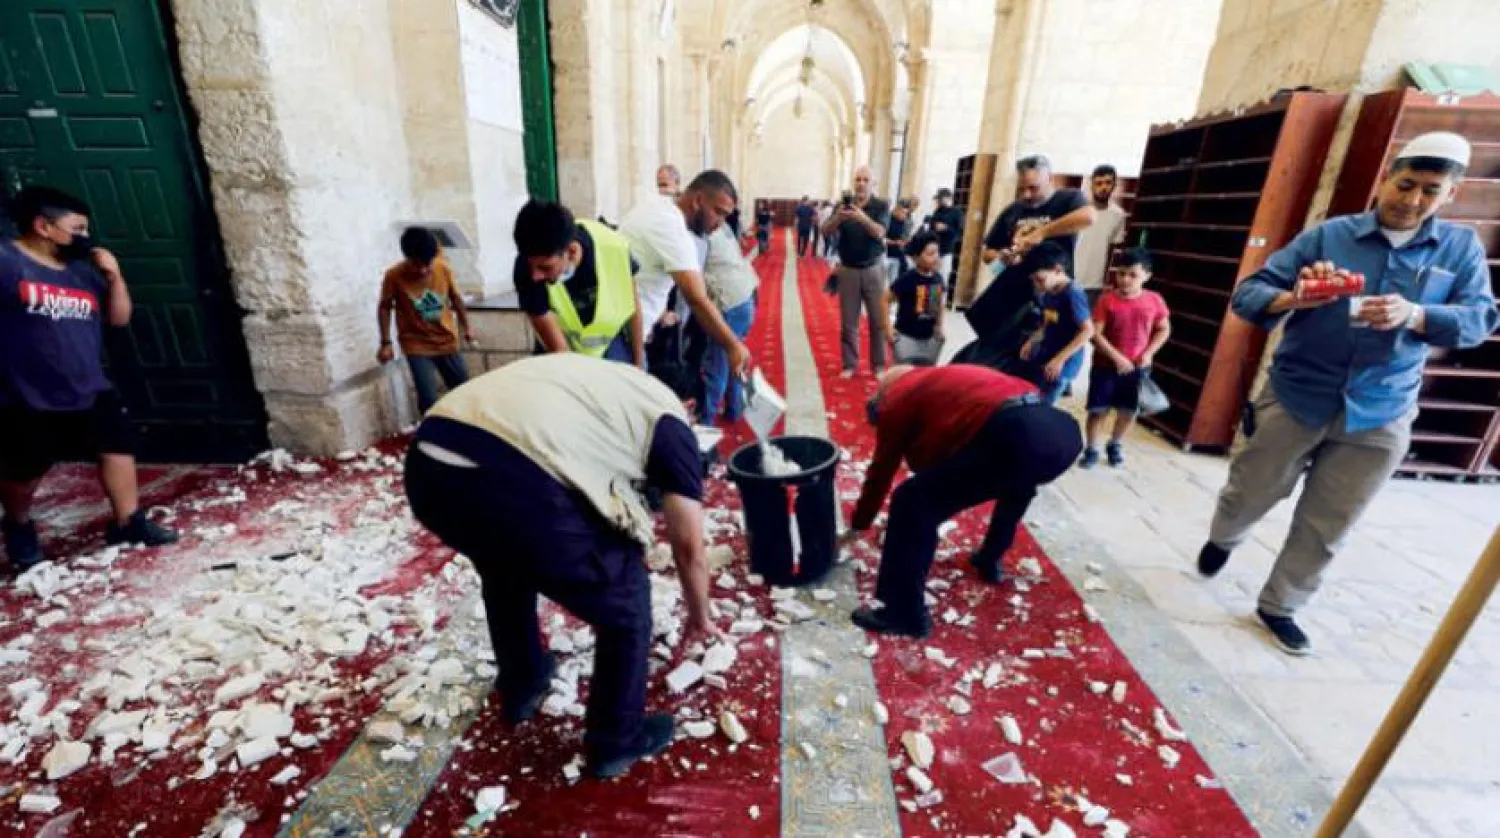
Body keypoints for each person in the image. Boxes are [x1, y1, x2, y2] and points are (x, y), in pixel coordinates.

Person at [1197, 131, 1498, 656]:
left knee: (1330, 519)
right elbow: (1248, 295)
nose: (1413, 200)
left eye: (1430, 191)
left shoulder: (1460, 248)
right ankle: (1225, 537)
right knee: (1252, 489)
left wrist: (1418, 315)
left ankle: (1281, 605)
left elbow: (1479, 320)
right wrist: (1295, 297)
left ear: (1450, 195)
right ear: (1386, 179)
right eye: (1406, 184)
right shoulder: (1330, 236)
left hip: (1382, 408)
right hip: (1298, 394)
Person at [404, 354, 720, 778]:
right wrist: (700, 615)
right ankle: (616, 740)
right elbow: (689, 547)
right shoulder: (672, 424)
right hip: (505, 474)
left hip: (428, 465)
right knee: (625, 600)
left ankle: (523, 681)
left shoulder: (613, 383)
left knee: (503, 561)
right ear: (690, 407)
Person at [0, 186, 179, 570]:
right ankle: (18, 524)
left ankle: (128, 522)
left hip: (88, 381)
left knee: (117, 446)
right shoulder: (7, 262)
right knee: (24, 468)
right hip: (25, 389)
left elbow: (118, 318)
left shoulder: (81, 271)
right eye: (77, 229)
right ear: (43, 226)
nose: (85, 237)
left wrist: (114, 277)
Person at [845, 365, 1082, 637]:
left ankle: (902, 613)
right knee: (1017, 482)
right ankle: (989, 559)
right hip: (1063, 435)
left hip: (1015, 433)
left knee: (912, 501)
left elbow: (882, 469)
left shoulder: (897, 398)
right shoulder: (946, 379)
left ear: (884, 392)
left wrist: (860, 522)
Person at [618, 169, 752, 386]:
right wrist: (732, 345)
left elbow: (644, 275)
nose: (720, 223)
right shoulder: (672, 226)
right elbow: (696, 298)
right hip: (624, 335)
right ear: (698, 200)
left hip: (629, 325)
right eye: (718, 212)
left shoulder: (656, 207)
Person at [511, 200, 644, 366]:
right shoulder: (526, 271)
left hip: (610, 341)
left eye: (545, 267)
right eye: (531, 266)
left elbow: (633, 307)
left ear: (572, 252)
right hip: (561, 345)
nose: (536, 276)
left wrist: (638, 364)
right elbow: (560, 351)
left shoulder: (613, 249)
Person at [1080, 248, 1169, 468]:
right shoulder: (1106, 300)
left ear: (1147, 276)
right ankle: (1091, 448)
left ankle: (1115, 444)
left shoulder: (1155, 300)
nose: (1125, 279)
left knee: (1128, 411)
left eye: (1132, 275)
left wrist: (1148, 353)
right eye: (1121, 273)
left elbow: (1163, 329)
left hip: (1137, 368)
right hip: (1105, 367)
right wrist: (1117, 358)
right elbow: (1096, 334)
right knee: (1098, 410)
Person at [378, 227, 474, 414]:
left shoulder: (443, 268)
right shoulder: (394, 276)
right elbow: (384, 307)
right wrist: (385, 342)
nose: (422, 271)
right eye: (416, 265)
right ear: (407, 258)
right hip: (416, 344)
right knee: (428, 398)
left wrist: (467, 326)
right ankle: (431, 428)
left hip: (446, 339)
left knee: (463, 390)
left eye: (427, 264)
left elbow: (456, 298)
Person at [821, 165, 892, 378]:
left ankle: (878, 365)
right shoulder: (843, 205)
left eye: (865, 180)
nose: (861, 184)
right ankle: (849, 364)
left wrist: (861, 217)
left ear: (873, 183)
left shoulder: (881, 205)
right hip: (848, 270)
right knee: (848, 322)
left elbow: (880, 232)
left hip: (874, 269)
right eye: (858, 179)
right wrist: (838, 218)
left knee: (877, 320)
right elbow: (825, 231)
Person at [697, 209, 760, 424]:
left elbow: (692, 279)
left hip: (729, 304)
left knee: (716, 366)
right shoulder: (724, 227)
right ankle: (734, 409)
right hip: (745, 297)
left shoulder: (702, 235)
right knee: (734, 355)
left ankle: (706, 423)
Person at [982, 154, 1095, 273]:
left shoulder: (1069, 198)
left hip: (1054, 280)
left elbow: (1089, 217)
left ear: (1050, 179)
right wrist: (1001, 256)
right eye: (1022, 189)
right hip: (1015, 280)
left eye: (1033, 188)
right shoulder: (1013, 209)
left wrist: (1041, 233)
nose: (1026, 195)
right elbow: (987, 253)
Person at [1017, 241, 1094, 404]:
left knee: (1046, 402)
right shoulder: (1048, 291)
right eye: (1033, 280)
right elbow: (1047, 321)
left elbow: (1088, 331)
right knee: (1034, 393)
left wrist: (1059, 359)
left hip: (1064, 362)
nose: (1037, 285)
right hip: (1048, 352)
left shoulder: (1073, 293)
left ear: (1057, 270)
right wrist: (1032, 341)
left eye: (1040, 279)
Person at [886, 231, 946, 366]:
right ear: (916, 257)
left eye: (937, 252)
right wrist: (888, 327)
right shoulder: (908, 279)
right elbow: (884, 300)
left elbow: (939, 303)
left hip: (929, 338)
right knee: (903, 372)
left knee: (925, 372)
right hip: (906, 336)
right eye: (930, 254)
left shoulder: (938, 278)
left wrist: (940, 325)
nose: (935, 257)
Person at [1074, 164, 1129, 309]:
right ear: (1091, 185)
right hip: (1068, 276)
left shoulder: (1118, 215)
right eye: (1099, 183)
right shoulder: (1078, 208)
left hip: (1094, 282)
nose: (1103, 187)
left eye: (1108, 182)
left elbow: (1111, 249)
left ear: (1114, 185)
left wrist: (1104, 279)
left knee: (1086, 320)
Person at [925, 188, 965, 299]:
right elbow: (931, 227)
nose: (938, 201)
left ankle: (938, 305)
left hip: (946, 250)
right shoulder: (937, 211)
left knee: (941, 278)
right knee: (930, 278)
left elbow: (959, 232)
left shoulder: (957, 212)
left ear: (947, 198)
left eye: (940, 198)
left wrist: (946, 228)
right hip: (933, 249)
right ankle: (930, 304)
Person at [884, 199, 914, 287]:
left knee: (893, 283)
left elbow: (905, 237)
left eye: (906, 214)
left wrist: (905, 241)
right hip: (884, 256)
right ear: (897, 209)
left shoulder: (905, 222)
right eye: (903, 213)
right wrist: (893, 242)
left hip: (897, 256)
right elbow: (880, 237)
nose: (904, 216)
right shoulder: (887, 219)